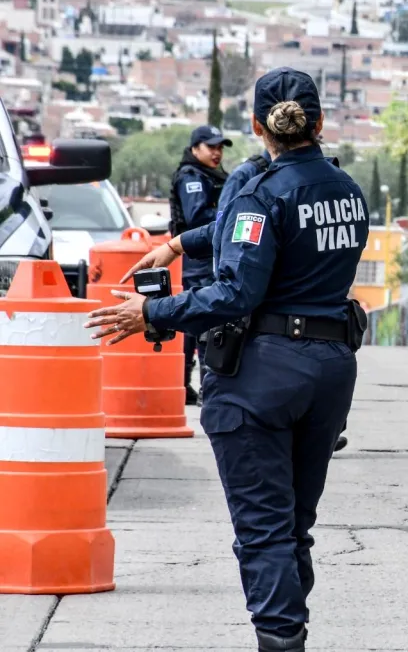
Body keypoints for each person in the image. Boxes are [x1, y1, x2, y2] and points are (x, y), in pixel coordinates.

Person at [85, 66, 369, 652]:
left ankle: (282, 642)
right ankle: (291, 633)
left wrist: (152, 315)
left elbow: (237, 288)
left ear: (258, 126)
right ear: (318, 123)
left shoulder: (261, 193)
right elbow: (247, 230)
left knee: (264, 532)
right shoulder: (347, 190)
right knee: (294, 527)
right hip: (331, 367)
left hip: (263, 372)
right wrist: (178, 242)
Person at [170, 125, 232, 405]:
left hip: (207, 259)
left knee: (198, 321)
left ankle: (188, 385)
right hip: (196, 261)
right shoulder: (191, 176)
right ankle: (198, 385)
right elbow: (197, 217)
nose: (217, 153)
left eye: (220, 147)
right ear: (195, 149)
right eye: (211, 147)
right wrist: (228, 213)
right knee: (201, 321)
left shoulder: (212, 175)